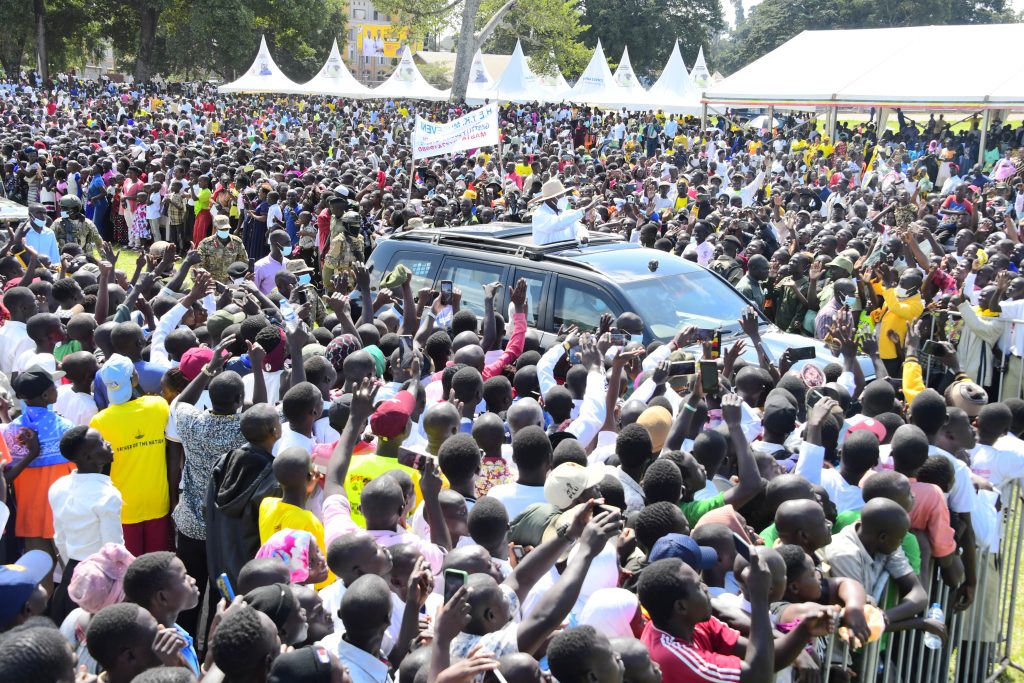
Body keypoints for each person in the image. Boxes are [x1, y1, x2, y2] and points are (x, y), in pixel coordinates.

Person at [90, 354, 174, 555]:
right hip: (158, 500)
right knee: (157, 563)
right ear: (134, 378)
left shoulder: (100, 421)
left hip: (123, 506)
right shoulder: (159, 406)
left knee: (129, 566)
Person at [47, 426, 121, 621]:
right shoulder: (108, 496)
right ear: (88, 458)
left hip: (72, 573)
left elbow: (60, 538)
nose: (108, 443)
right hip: (101, 579)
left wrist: (72, 570)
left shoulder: (58, 487)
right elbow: (114, 550)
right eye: (101, 443)